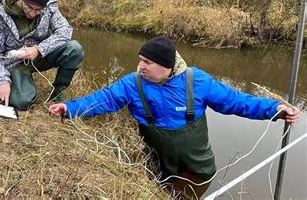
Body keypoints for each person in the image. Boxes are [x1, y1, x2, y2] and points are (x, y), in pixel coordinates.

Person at [48, 36, 299, 198]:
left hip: (198, 171)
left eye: (147, 62)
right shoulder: (132, 83)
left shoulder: (197, 81)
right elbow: (102, 100)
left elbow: (237, 102)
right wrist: (68, 109)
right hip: (161, 169)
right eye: (140, 60)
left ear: (166, 66)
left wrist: (275, 109)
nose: (140, 66)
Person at [0, 0, 84, 111]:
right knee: (21, 102)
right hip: (14, 63)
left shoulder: (49, 5)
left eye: (38, 10)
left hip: (40, 55)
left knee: (74, 49)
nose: (33, 13)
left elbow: (65, 31)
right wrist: (2, 80)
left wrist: (38, 49)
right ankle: (14, 81)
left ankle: (58, 91)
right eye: (29, 7)